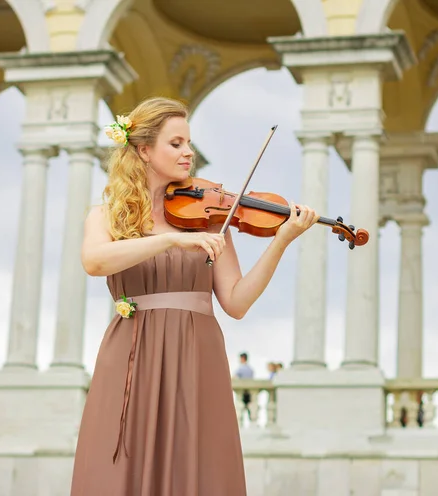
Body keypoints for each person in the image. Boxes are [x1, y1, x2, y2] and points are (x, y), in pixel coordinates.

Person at [70, 96, 319, 496]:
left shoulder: (210, 217)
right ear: (144, 150)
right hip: (133, 351)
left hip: (196, 351)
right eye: (176, 143)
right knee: (121, 467)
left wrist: (281, 242)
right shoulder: (106, 216)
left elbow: (236, 302)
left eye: (189, 143)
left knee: (198, 465)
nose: (189, 152)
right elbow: (95, 261)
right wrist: (170, 240)